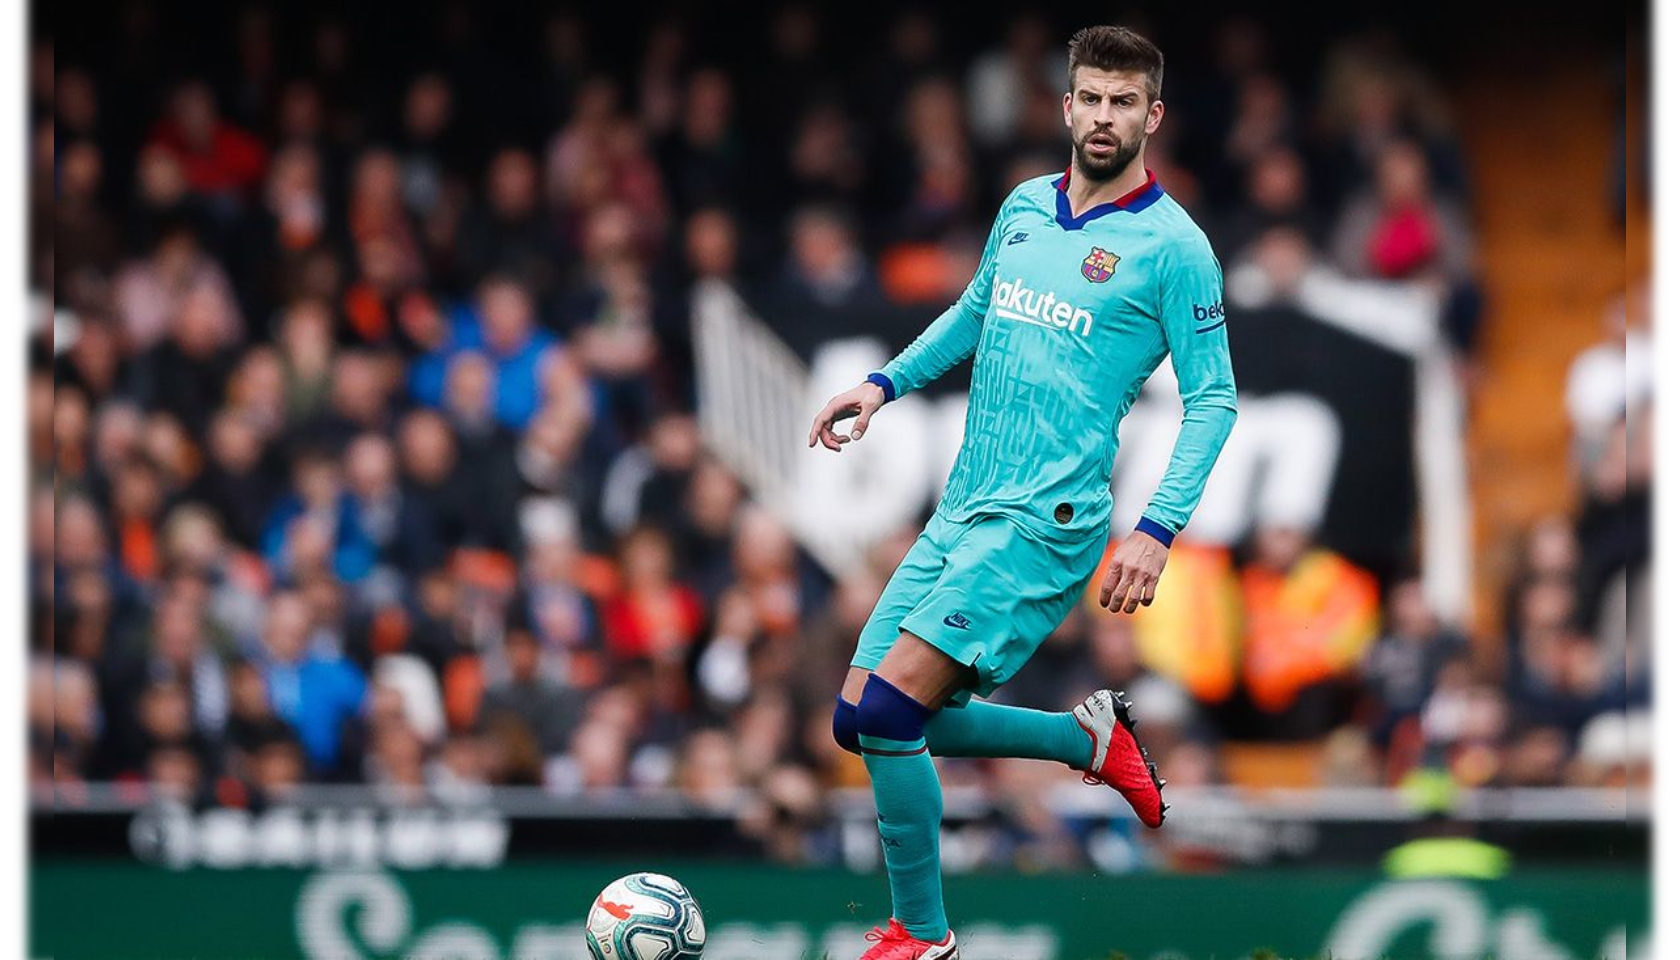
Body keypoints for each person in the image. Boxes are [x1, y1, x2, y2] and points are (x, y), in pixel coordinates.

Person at [807, 26, 1237, 959]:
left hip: (1048, 523)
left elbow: (1213, 398)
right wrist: (881, 385)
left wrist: (1157, 529)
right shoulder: (1025, 207)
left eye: (1126, 102)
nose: (1104, 116)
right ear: (1067, 104)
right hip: (964, 505)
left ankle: (921, 935)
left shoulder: (1176, 249)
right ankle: (1085, 743)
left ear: (1151, 117)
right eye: (1091, 97)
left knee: (891, 715)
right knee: (856, 720)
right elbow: (973, 312)